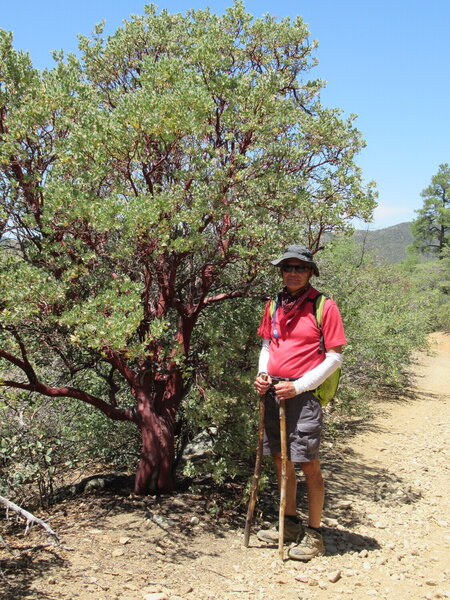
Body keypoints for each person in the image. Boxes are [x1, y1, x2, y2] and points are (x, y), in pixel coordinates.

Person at [254, 244, 347, 561]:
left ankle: (315, 534)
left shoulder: (324, 306)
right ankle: (290, 524)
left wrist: (300, 385)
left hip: (303, 395)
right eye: (287, 268)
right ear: (282, 272)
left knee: (308, 464)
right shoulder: (274, 304)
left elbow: (334, 358)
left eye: (299, 268)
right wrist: (263, 374)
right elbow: (268, 346)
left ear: (310, 272)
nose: (293, 273)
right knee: (281, 461)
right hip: (275, 392)